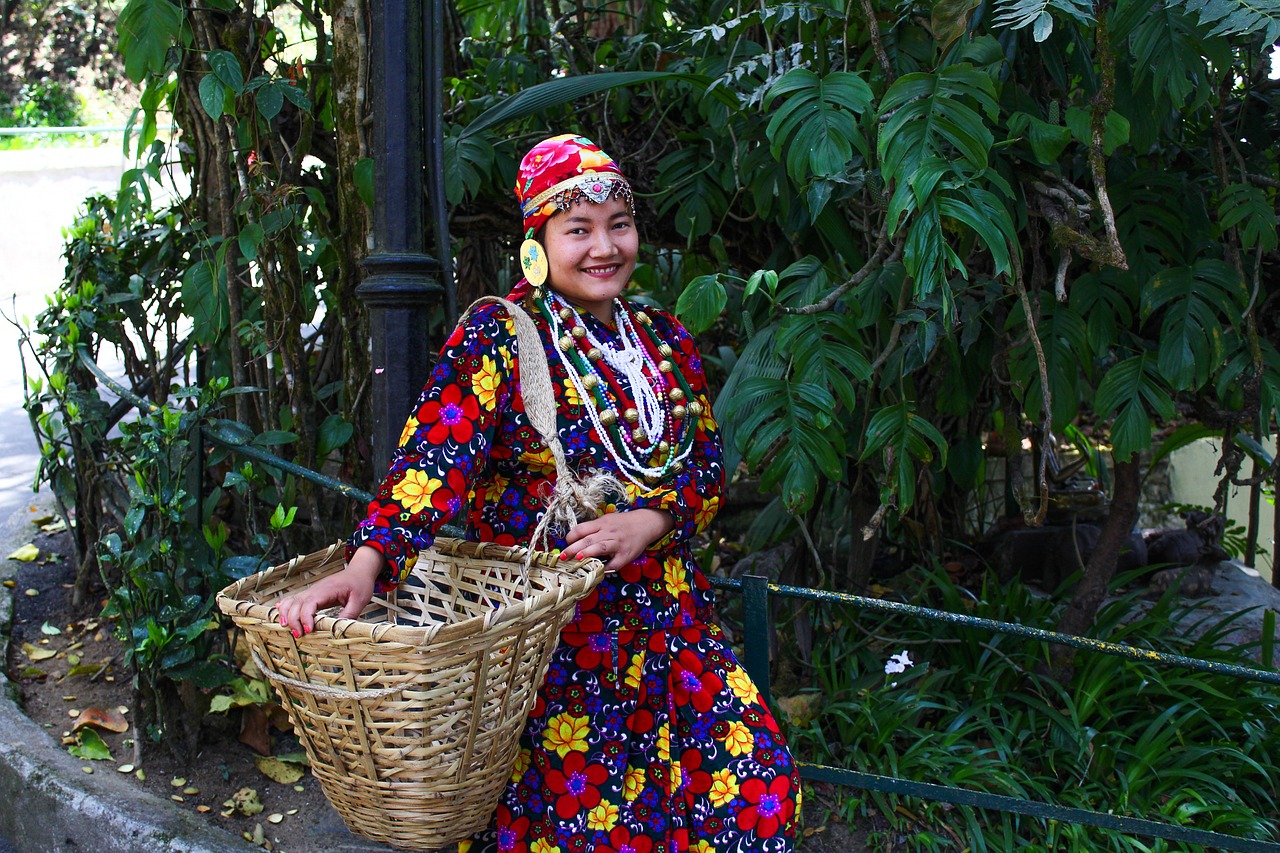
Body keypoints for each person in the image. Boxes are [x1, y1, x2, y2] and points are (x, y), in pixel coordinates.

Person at [276, 133, 800, 852]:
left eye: (618, 224)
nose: (604, 246)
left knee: (756, 790)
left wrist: (648, 520)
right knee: (582, 829)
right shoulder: (502, 334)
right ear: (537, 241)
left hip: (670, 626)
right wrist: (368, 562)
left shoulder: (663, 338)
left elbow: (704, 468)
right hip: (552, 642)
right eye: (577, 230)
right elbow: (434, 456)